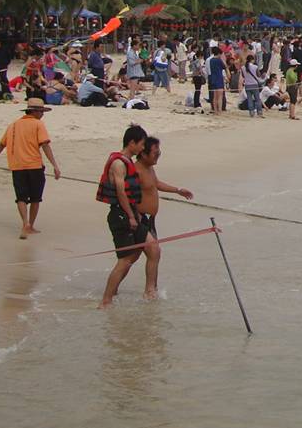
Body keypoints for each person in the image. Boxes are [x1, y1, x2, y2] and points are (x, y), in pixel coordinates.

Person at [111, 136, 194, 302]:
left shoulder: (149, 168)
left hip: (150, 220)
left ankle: (113, 291)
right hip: (139, 220)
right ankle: (149, 291)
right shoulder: (135, 170)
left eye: (159, 151)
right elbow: (124, 193)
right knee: (152, 252)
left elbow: (155, 183)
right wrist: (133, 215)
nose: (158, 155)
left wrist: (177, 190)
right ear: (143, 153)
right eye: (155, 152)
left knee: (132, 257)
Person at [0, 95, 62, 238]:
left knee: (21, 197)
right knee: (35, 198)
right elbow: (45, 145)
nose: (42, 115)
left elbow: (3, 144)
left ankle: (25, 223)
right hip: (34, 166)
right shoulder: (37, 124)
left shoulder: (13, 125)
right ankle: (31, 226)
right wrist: (55, 165)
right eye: (41, 112)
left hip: (17, 166)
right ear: (34, 112)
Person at [97, 125, 149, 308]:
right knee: (125, 260)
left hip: (131, 213)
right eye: (141, 144)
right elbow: (121, 193)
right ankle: (106, 300)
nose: (143, 148)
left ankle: (150, 292)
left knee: (152, 247)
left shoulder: (127, 161)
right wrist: (131, 216)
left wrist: (137, 214)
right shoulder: (118, 163)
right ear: (132, 143)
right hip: (120, 215)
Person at [207, 46, 227, 113]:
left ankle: (215, 110)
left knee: (214, 96)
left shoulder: (211, 60)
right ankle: (220, 110)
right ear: (218, 53)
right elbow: (224, 67)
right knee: (220, 96)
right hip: (219, 78)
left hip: (213, 78)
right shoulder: (219, 60)